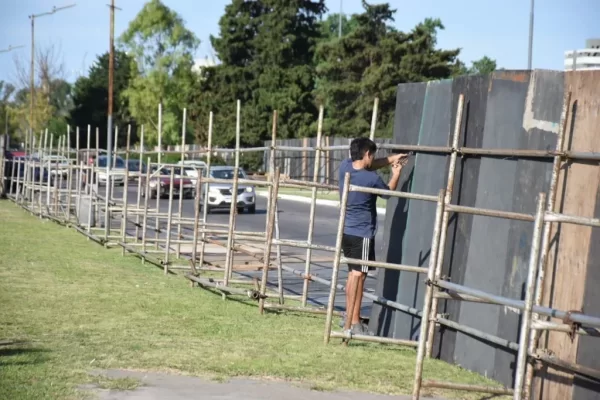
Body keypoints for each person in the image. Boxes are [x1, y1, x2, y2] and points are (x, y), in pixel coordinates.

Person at [338, 137, 408, 334]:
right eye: (373, 155)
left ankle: (348, 317)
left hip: (347, 231)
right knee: (360, 276)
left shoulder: (345, 167)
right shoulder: (372, 179)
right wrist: (396, 173)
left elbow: (368, 165)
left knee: (353, 274)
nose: (374, 159)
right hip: (363, 233)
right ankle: (355, 323)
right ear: (367, 154)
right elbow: (387, 193)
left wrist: (391, 158)